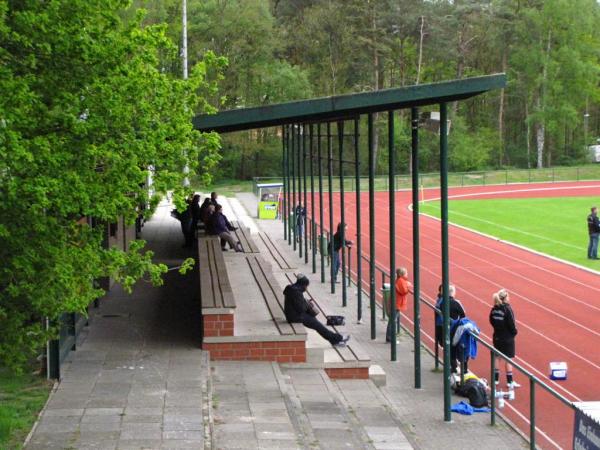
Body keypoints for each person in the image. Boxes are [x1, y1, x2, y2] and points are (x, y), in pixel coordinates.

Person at [283, 274, 350, 347]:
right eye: (306, 286)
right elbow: (301, 309)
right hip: (295, 317)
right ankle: (337, 338)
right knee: (317, 325)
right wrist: (307, 304)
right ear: (303, 285)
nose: (306, 288)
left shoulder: (292, 289)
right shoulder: (296, 292)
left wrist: (304, 303)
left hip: (293, 314)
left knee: (316, 323)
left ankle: (334, 339)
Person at [489, 289, 520, 388]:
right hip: (507, 337)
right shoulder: (507, 309)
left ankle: (495, 379)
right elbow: (512, 323)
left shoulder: (494, 309)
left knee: (497, 357)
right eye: (508, 297)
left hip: (497, 336)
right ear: (505, 298)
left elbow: (491, 320)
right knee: (509, 359)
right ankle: (510, 382)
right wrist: (514, 332)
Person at [436, 284, 466, 373]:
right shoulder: (456, 303)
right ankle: (457, 368)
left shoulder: (441, 302)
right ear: (453, 293)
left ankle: (451, 366)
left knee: (446, 346)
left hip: (442, 327)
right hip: (453, 329)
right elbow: (463, 315)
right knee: (455, 347)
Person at [386, 267, 411, 343]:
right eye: (406, 273)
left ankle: (389, 337)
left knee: (392, 320)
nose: (407, 274)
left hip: (396, 302)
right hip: (397, 303)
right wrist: (408, 286)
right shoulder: (401, 281)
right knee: (393, 321)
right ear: (402, 274)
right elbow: (403, 291)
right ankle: (390, 338)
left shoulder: (400, 280)